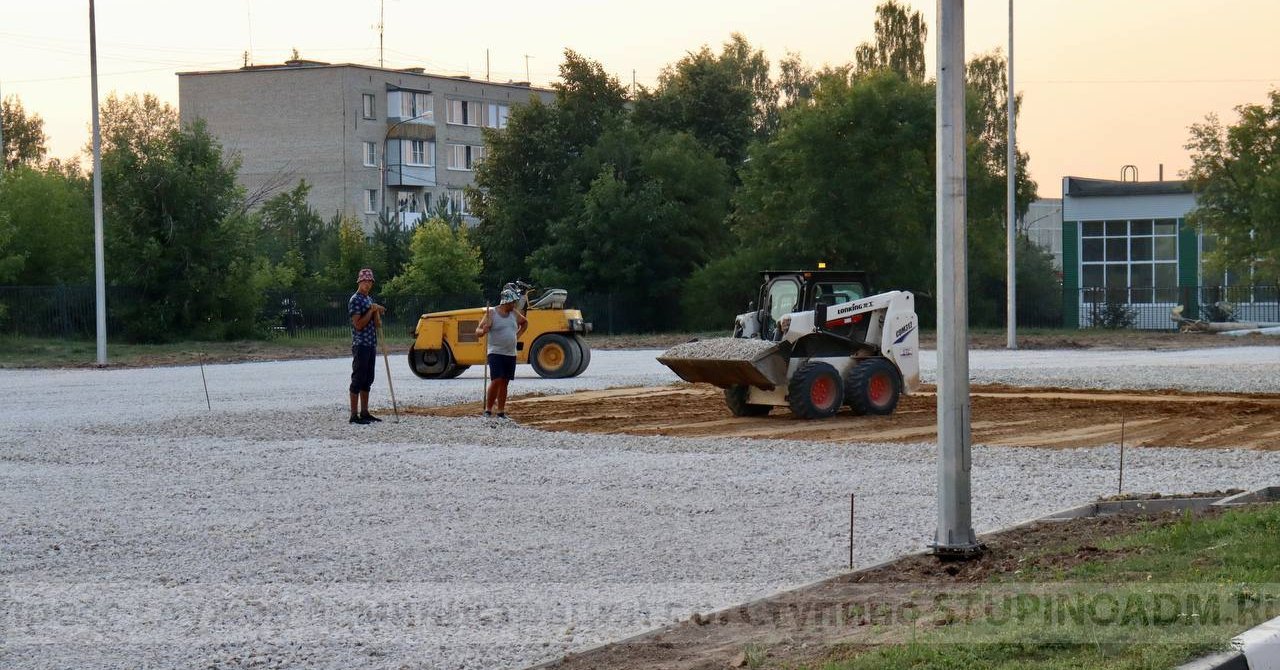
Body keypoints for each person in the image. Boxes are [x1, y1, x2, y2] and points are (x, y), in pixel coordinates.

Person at [475, 287, 528, 419]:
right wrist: (484, 331)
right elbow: (477, 331)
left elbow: (525, 323)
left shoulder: (514, 314)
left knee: (505, 382)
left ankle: (500, 411)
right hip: (495, 352)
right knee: (496, 380)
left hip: (510, 353)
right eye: (512, 303)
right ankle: (488, 410)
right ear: (505, 302)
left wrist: (517, 336)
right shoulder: (491, 313)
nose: (514, 305)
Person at [347, 268, 386, 424]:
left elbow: (376, 324)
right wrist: (371, 310)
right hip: (360, 344)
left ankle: (365, 412)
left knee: (368, 379)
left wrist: (377, 311)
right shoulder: (355, 300)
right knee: (358, 378)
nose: (368, 284)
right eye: (365, 281)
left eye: (370, 281)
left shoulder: (369, 299)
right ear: (359, 282)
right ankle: (353, 415)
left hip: (371, 344)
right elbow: (358, 325)